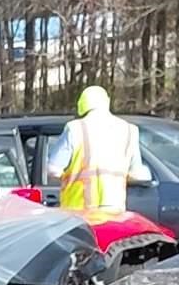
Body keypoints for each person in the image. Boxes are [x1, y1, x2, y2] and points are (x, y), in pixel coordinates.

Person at [47, 85, 143, 218]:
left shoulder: (75, 128)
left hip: (77, 214)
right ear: (107, 102)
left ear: (82, 105)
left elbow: (53, 169)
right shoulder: (129, 130)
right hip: (114, 211)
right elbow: (137, 174)